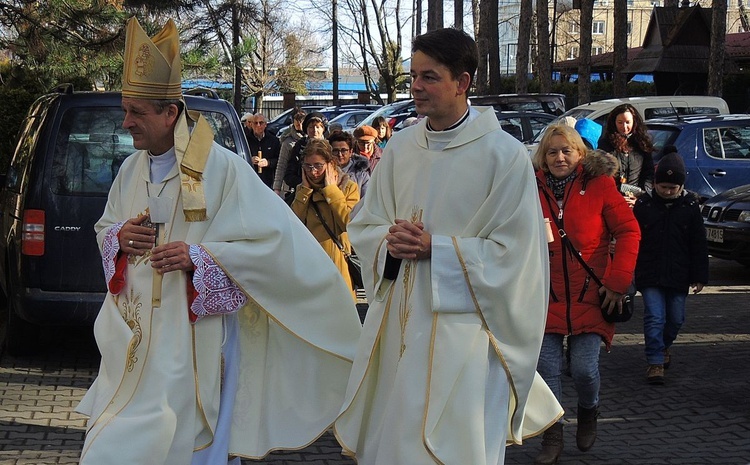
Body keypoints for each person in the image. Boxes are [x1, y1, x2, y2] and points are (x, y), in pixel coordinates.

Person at [75, 18, 362, 465]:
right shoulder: (131, 169)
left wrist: (201, 256)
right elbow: (104, 229)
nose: (126, 122)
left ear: (171, 113)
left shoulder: (222, 168)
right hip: (135, 340)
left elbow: (274, 243)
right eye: (125, 110)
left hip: (194, 342)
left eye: (136, 112)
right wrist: (117, 236)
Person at [334, 28, 562, 465]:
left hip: (468, 337)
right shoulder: (401, 147)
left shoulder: (504, 156)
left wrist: (437, 247)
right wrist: (389, 240)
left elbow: (517, 256)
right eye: (413, 76)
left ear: (463, 82)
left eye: (430, 77)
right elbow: (364, 222)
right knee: (397, 443)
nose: (416, 87)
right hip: (400, 329)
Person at [533, 124, 641, 465]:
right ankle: (553, 434)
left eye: (566, 150)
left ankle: (589, 410)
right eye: (552, 152)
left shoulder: (600, 185)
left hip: (592, 294)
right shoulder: (528, 188)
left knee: (583, 370)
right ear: (543, 157)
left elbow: (628, 230)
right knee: (547, 369)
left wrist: (618, 280)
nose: (559, 157)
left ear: (580, 153)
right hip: (545, 294)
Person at [633, 148, 708, 385]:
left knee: (676, 318)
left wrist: (700, 276)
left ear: (681, 187)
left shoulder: (689, 207)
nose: (667, 192)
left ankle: (664, 346)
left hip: (679, 272)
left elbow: (698, 243)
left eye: (672, 188)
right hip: (650, 271)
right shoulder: (644, 205)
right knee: (655, 316)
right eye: (662, 187)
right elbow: (633, 239)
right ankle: (655, 361)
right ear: (655, 184)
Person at [291, 139, 360, 297]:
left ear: (330, 164)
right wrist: (304, 193)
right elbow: (293, 226)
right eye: (308, 166)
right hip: (309, 269)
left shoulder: (348, 187)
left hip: (338, 268)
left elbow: (349, 224)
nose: (313, 172)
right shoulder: (303, 191)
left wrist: (331, 191)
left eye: (318, 166)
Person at [598, 103, 655, 205]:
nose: (624, 127)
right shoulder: (606, 143)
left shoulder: (642, 143)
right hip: (613, 199)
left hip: (637, 199)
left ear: (634, 122)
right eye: (620, 122)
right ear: (614, 122)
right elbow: (603, 174)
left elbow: (648, 173)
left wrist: (641, 196)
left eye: (628, 122)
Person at [283, 111, 327, 201]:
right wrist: (304, 183)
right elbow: (289, 174)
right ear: (306, 129)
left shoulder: (329, 147)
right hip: (302, 193)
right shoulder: (299, 146)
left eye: (318, 127)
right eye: (311, 127)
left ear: (323, 129)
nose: (314, 130)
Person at [273, 108, 306, 197]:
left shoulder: (310, 138)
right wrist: (277, 188)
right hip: (291, 184)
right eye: (297, 120)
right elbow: (281, 164)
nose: (299, 124)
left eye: (302, 120)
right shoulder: (287, 141)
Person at [328, 130, 370, 198]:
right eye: (335, 151)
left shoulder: (361, 175)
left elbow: (367, 200)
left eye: (343, 150)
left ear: (350, 152)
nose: (340, 154)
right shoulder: (324, 172)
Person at [245, 113, 280, 189]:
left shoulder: (274, 141)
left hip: (267, 181)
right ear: (251, 125)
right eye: (255, 123)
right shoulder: (245, 140)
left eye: (261, 123)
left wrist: (268, 162)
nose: (258, 125)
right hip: (250, 180)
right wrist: (250, 159)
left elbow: (279, 160)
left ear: (265, 124)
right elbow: (240, 157)